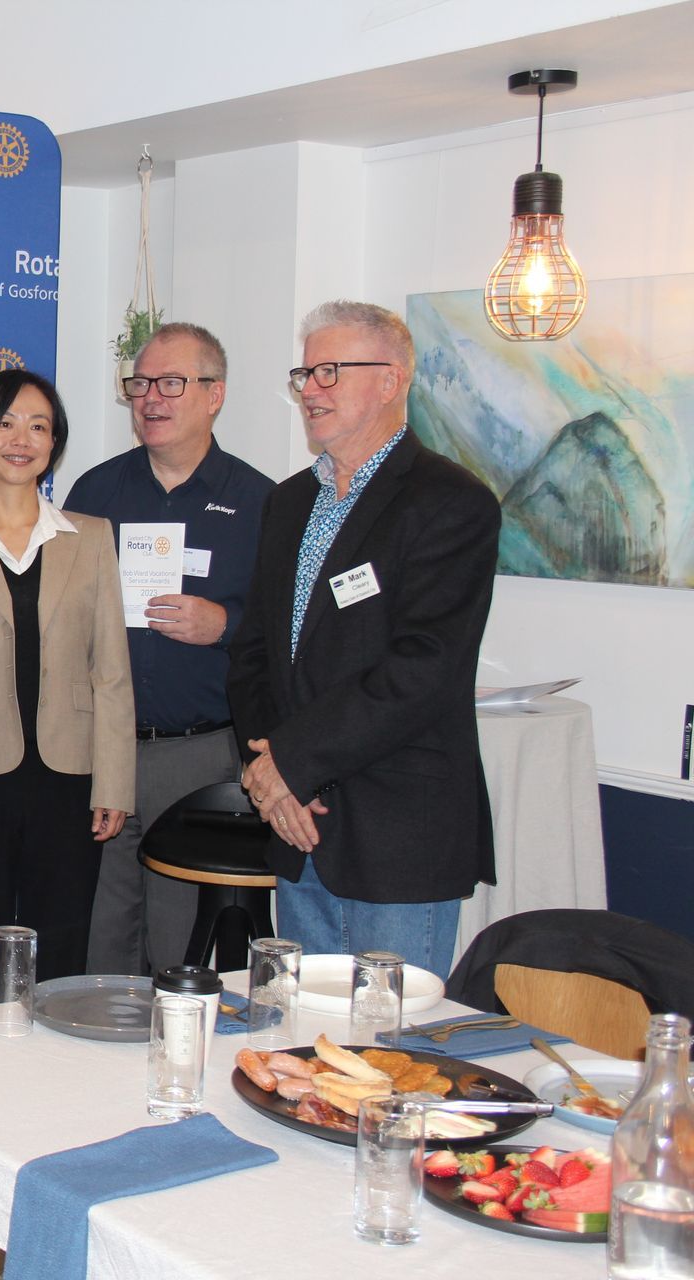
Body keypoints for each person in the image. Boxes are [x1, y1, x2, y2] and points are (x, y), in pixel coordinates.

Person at [229, 300, 500, 979]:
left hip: (399, 831)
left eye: (329, 372)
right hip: (299, 826)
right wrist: (276, 778)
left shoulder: (451, 501)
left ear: (391, 379)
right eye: (304, 374)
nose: (310, 390)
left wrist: (291, 762)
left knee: (389, 1059)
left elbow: (423, 670)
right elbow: (256, 652)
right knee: (304, 1050)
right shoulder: (289, 501)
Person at [65, 323, 273, 974]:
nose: (150, 399)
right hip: (103, 748)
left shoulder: (262, 501)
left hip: (201, 755)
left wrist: (226, 624)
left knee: (179, 943)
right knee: (100, 935)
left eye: (171, 383)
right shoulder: (95, 495)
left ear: (215, 394)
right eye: (141, 384)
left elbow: (287, 633)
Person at [0, 369, 135, 999]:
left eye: (39, 426)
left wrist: (114, 781)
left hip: (69, 777)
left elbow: (112, 670)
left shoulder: (91, 537)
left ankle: (55, 1088)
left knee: (64, 949)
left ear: (54, 444)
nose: (22, 439)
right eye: (5, 422)